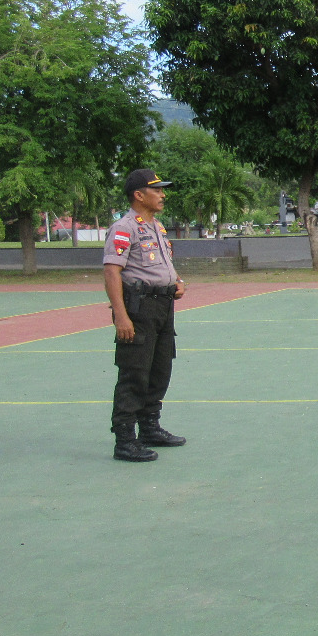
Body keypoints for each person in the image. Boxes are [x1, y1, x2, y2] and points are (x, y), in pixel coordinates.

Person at [103, 168, 187, 462]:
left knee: (160, 368)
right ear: (139, 195)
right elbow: (112, 271)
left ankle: (149, 427)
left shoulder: (157, 227)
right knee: (135, 371)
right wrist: (122, 316)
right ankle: (125, 440)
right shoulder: (124, 228)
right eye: (157, 190)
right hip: (138, 308)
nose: (163, 195)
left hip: (163, 306)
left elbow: (161, 263)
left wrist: (176, 281)